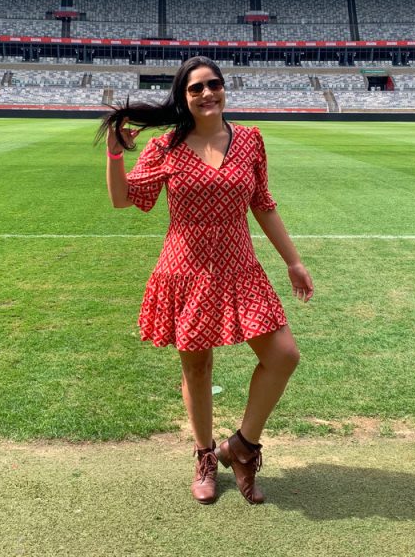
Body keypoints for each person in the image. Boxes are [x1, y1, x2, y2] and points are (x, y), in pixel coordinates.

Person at [98, 56, 314, 505]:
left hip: (240, 267)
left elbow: (263, 204)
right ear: (183, 97)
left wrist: (293, 262)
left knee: (284, 356)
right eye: (195, 88)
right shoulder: (165, 147)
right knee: (197, 368)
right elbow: (122, 199)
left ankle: (241, 447)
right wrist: (115, 153)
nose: (207, 93)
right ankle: (204, 456)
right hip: (185, 271)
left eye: (214, 84)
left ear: (224, 88)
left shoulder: (250, 140)